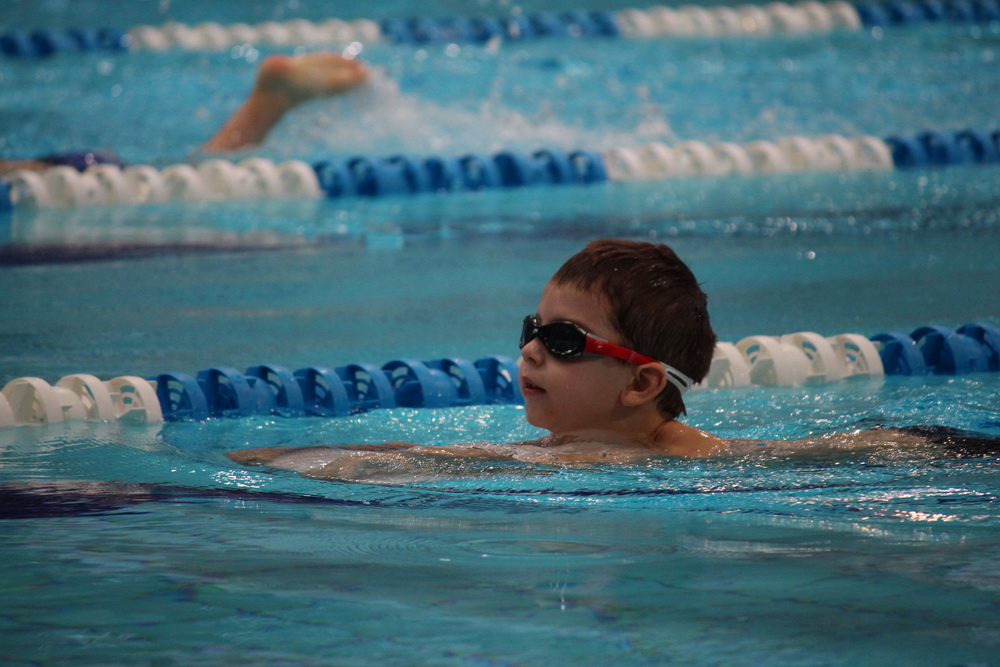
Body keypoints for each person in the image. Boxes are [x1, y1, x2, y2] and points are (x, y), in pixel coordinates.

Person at [226, 239, 729, 483]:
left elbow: (484, 463)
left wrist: (363, 466)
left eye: (564, 340)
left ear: (641, 384)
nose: (530, 349)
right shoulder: (583, 439)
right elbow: (489, 453)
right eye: (533, 330)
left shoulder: (676, 458)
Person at [0, 51, 369, 176]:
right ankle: (266, 107)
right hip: (68, 171)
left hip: (67, 175)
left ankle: (268, 106)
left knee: (167, 180)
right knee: (174, 174)